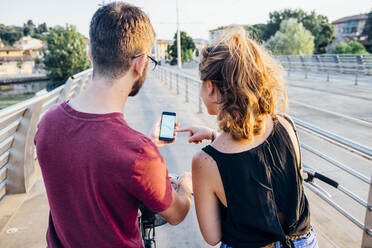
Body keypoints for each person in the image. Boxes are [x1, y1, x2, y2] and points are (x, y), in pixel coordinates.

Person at [34, 2, 192, 248]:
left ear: (91, 55)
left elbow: (92, 160)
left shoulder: (47, 123)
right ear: (140, 64)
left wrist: (147, 146)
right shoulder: (138, 153)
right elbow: (177, 213)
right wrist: (186, 188)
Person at [177, 29, 318, 248]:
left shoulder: (204, 162)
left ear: (212, 88)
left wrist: (188, 187)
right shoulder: (286, 124)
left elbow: (212, 237)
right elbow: (259, 159)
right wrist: (214, 136)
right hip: (303, 242)